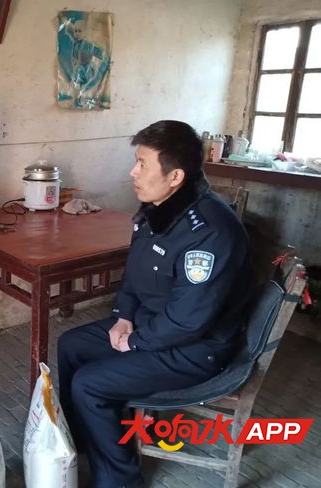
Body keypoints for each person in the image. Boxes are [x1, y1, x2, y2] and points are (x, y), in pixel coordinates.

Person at [57, 120, 253, 488]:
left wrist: (135, 341)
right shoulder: (157, 209)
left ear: (175, 176)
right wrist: (122, 317)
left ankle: (119, 480)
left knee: (89, 384)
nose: (133, 172)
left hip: (196, 350)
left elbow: (188, 321)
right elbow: (134, 275)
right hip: (151, 324)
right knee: (71, 345)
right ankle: (85, 439)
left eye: (142, 164)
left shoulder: (209, 232)